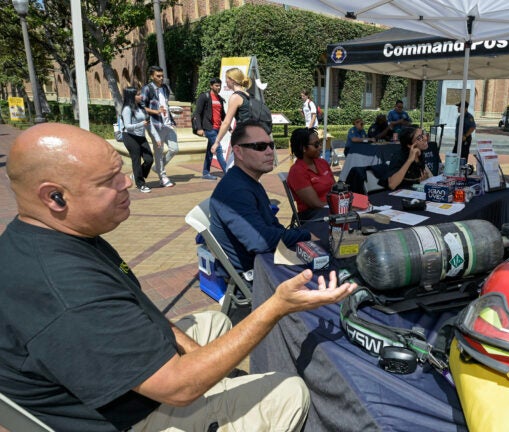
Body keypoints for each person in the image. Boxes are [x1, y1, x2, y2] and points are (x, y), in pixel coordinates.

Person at [0, 122, 355, 431]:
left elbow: (141, 310)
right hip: (130, 418)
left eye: (121, 171)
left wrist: (204, 362)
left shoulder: (60, 235)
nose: (128, 182)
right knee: (290, 392)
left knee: (215, 324)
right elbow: (177, 389)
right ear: (55, 197)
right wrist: (276, 306)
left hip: (113, 382)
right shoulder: (67, 290)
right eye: (109, 180)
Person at [210, 119, 319, 273]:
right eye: (260, 146)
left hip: (268, 261)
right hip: (258, 274)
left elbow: (272, 225)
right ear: (238, 152)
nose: (269, 151)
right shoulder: (235, 191)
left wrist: (298, 236)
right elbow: (259, 240)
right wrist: (305, 235)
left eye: (271, 145)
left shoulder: (248, 181)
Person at [212, 68, 273, 165]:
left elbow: (226, 122)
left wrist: (216, 142)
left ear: (232, 80)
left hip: (244, 138)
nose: (225, 81)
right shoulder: (248, 95)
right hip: (252, 137)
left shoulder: (235, 97)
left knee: (232, 169)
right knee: (246, 168)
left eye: (226, 79)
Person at [287, 128, 335, 221]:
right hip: (313, 216)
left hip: (331, 210)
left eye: (320, 143)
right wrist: (341, 208)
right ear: (304, 148)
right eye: (316, 145)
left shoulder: (322, 163)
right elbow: (315, 204)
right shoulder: (297, 171)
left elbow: (336, 189)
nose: (320, 147)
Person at [141, 66, 178, 188]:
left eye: (162, 75)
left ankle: (157, 167)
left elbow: (165, 104)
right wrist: (155, 111)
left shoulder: (165, 88)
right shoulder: (147, 89)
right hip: (155, 125)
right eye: (158, 76)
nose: (161, 78)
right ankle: (162, 177)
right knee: (159, 151)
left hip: (167, 124)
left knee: (174, 149)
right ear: (152, 76)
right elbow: (141, 107)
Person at [192, 77, 227, 180]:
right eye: (216, 85)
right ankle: (228, 173)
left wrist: (228, 126)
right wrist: (199, 128)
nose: (218, 87)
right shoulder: (204, 96)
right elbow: (197, 113)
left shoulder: (219, 99)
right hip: (209, 127)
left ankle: (205, 172)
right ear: (211, 86)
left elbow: (223, 114)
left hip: (218, 128)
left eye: (220, 86)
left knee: (210, 151)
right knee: (218, 149)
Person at [121, 86, 153, 193]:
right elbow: (127, 126)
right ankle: (141, 185)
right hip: (130, 137)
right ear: (131, 96)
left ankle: (137, 175)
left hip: (141, 137)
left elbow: (146, 120)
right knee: (136, 161)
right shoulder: (127, 109)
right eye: (138, 94)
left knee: (149, 159)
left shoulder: (140, 107)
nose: (141, 96)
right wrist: (141, 124)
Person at [381, 126, 433, 190]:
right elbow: (392, 185)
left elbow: (416, 182)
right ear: (410, 145)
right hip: (397, 192)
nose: (425, 138)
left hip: (413, 191)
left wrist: (423, 180)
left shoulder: (420, 153)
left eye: (423, 134)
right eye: (419, 138)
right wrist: (409, 160)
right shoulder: (399, 156)